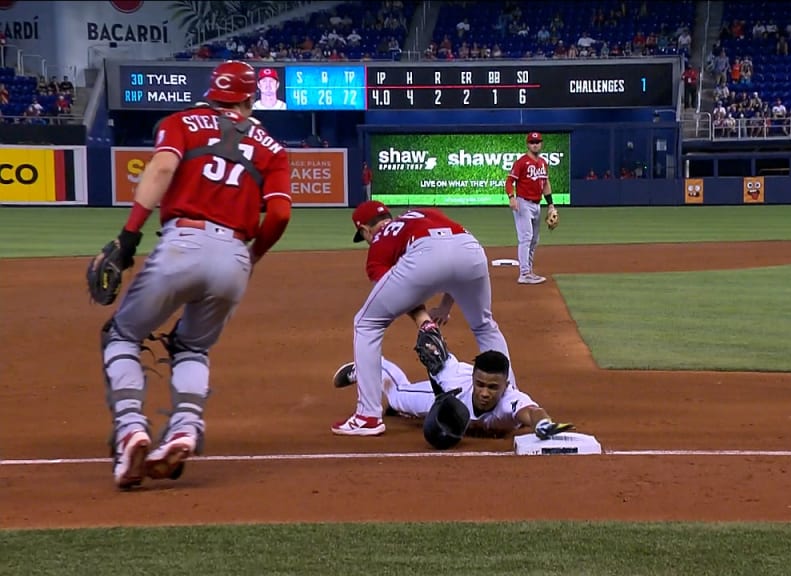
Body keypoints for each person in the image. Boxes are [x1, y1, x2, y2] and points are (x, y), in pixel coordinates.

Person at [92, 60, 293, 489]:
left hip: (183, 242)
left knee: (121, 336)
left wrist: (128, 238)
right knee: (192, 348)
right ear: (250, 97)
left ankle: (131, 429)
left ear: (213, 91)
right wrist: (251, 256)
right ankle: (184, 427)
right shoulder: (273, 148)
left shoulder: (181, 121)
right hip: (235, 256)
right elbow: (279, 214)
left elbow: (162, 170)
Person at [334, 200, 514, 436]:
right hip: (470, 248)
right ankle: (510, 399)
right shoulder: (420, 213)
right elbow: (452, 258)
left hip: (425, 255)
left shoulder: (378, 242)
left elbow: (396, 293)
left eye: (364, 236)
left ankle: (368, 415)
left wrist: (423, 320)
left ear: (365, 230)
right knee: (484, 326)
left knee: (366, 323)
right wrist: (444, 306)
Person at [333, 350, 573, 442]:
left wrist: (543, 424)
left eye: (492, 388)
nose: (484, 392)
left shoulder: (511, 399)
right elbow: (443, 359)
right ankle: (373, 365)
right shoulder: (455, 380)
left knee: (400, 407)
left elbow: (531, 412)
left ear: (505, 385)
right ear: (473, 380)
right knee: (397, 397)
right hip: (445, 396)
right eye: (480, 384)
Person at [506, 131, 558, 284]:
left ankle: (528, 270)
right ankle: (524, 273)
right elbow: (509, 181)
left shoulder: (543, 163)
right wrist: (511, 197)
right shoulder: (521, 162)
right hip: (523, 203)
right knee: (526, 237)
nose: (535, 145)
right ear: (528, 144)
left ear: (541, 144)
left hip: (537, 204)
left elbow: (545, 184)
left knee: (534, 239)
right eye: (532, 142)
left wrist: (551, 205)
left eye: (538, 142)